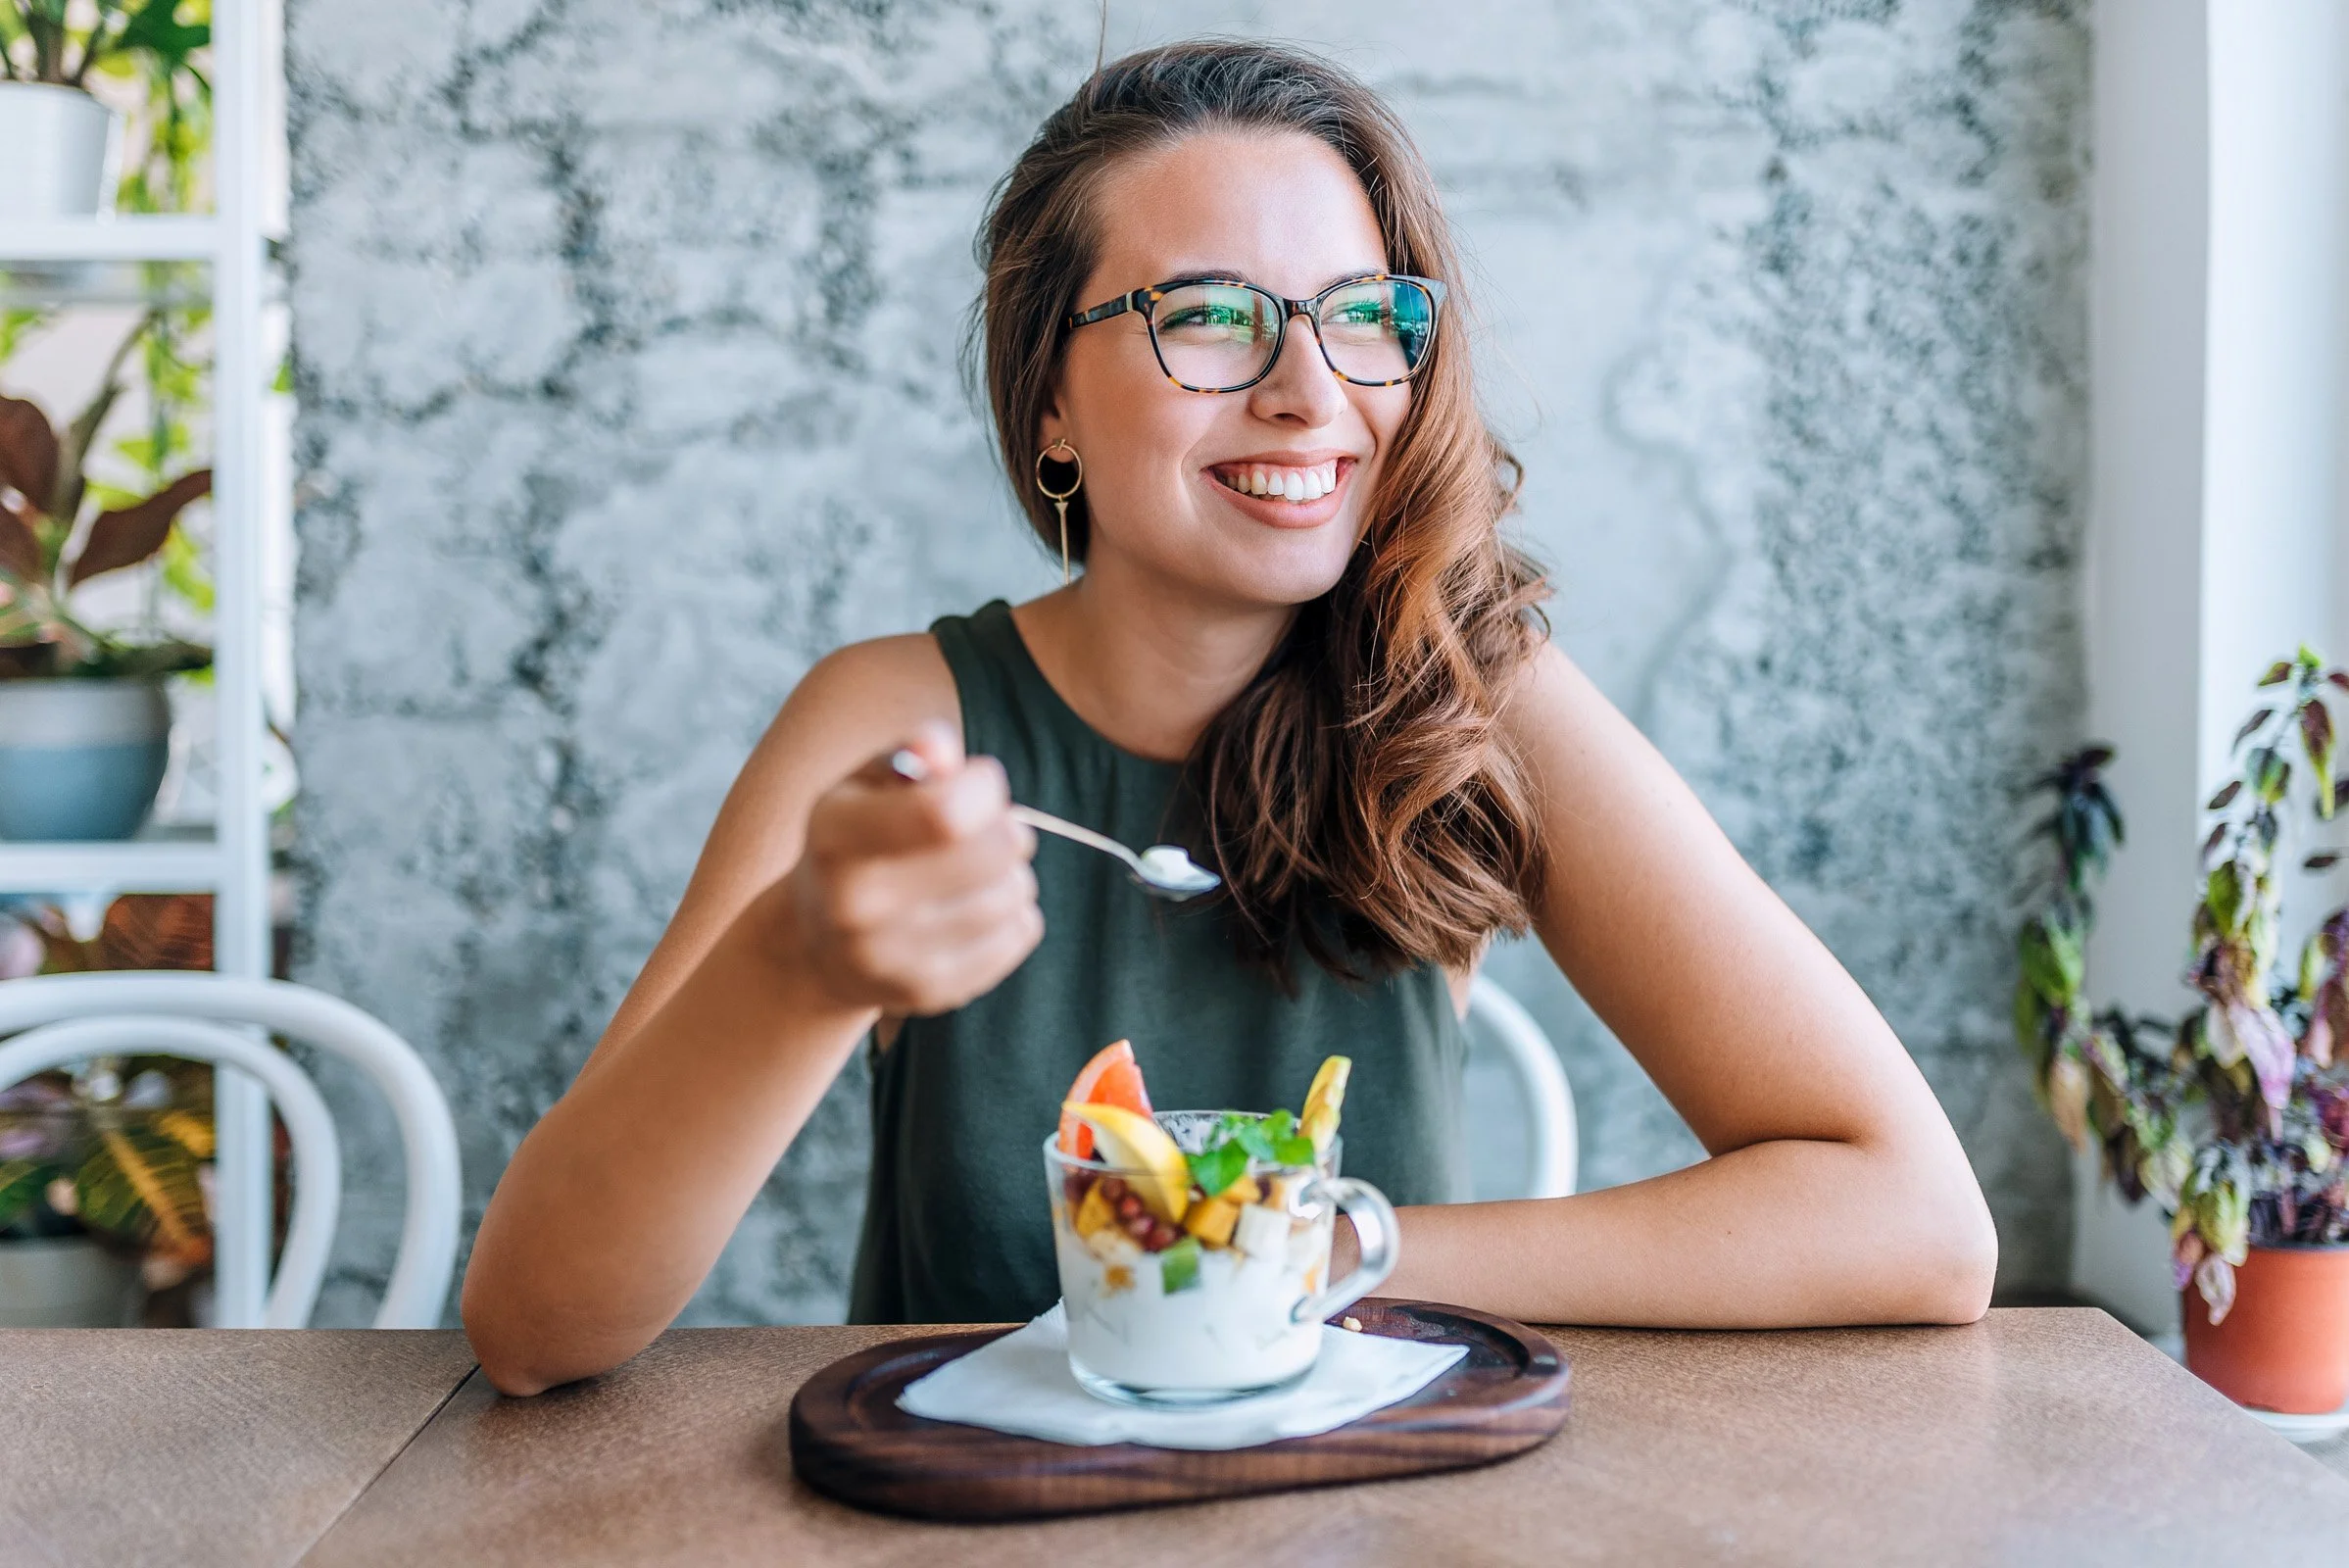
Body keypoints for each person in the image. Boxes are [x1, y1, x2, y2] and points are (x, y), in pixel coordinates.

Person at [462, 40, 1996, 1396]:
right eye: (1209, 317)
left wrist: (1342, 1248)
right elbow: (537, 1328)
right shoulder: (899, 713)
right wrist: (798, 966)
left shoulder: (1470, 694)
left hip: (1375, 1516)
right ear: (1048, 396)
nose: (1307, 390)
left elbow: (1916, 1224)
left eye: (1360, 315)